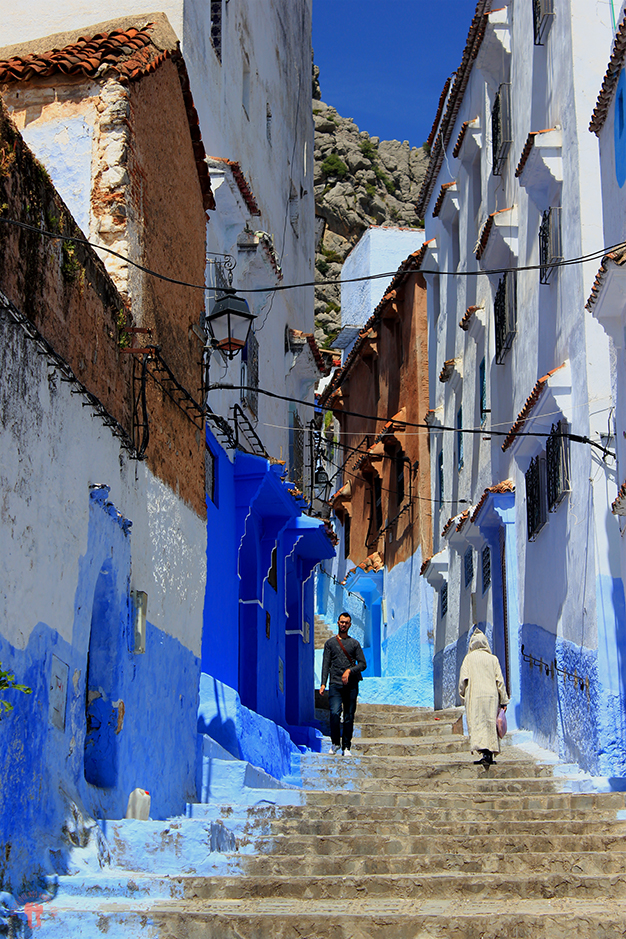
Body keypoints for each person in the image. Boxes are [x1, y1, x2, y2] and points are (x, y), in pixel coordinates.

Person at [458, 628, 509, 767]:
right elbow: (500, 681)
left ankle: (483, 752)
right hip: (491, 696)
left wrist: (463, 696)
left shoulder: (468, 659)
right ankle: (489, 753)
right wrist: (504, 700)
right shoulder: (493, 659)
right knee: (490, 723)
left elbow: (463, 680)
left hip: (474, 696)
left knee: (478, 723)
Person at [319, 612, 367, 756]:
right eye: (342, 622)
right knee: (334, 713)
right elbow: (326, 664)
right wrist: (323, 683)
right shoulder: (330, 644)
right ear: (338, 623)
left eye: (346, 622)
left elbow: (363, 664)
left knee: (349, 716)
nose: (344, 625)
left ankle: (346, 746)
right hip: (335, 684)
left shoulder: (354, 644)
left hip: (351, 686)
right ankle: (335, 743)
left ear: (350, 625)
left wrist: (349, 671)